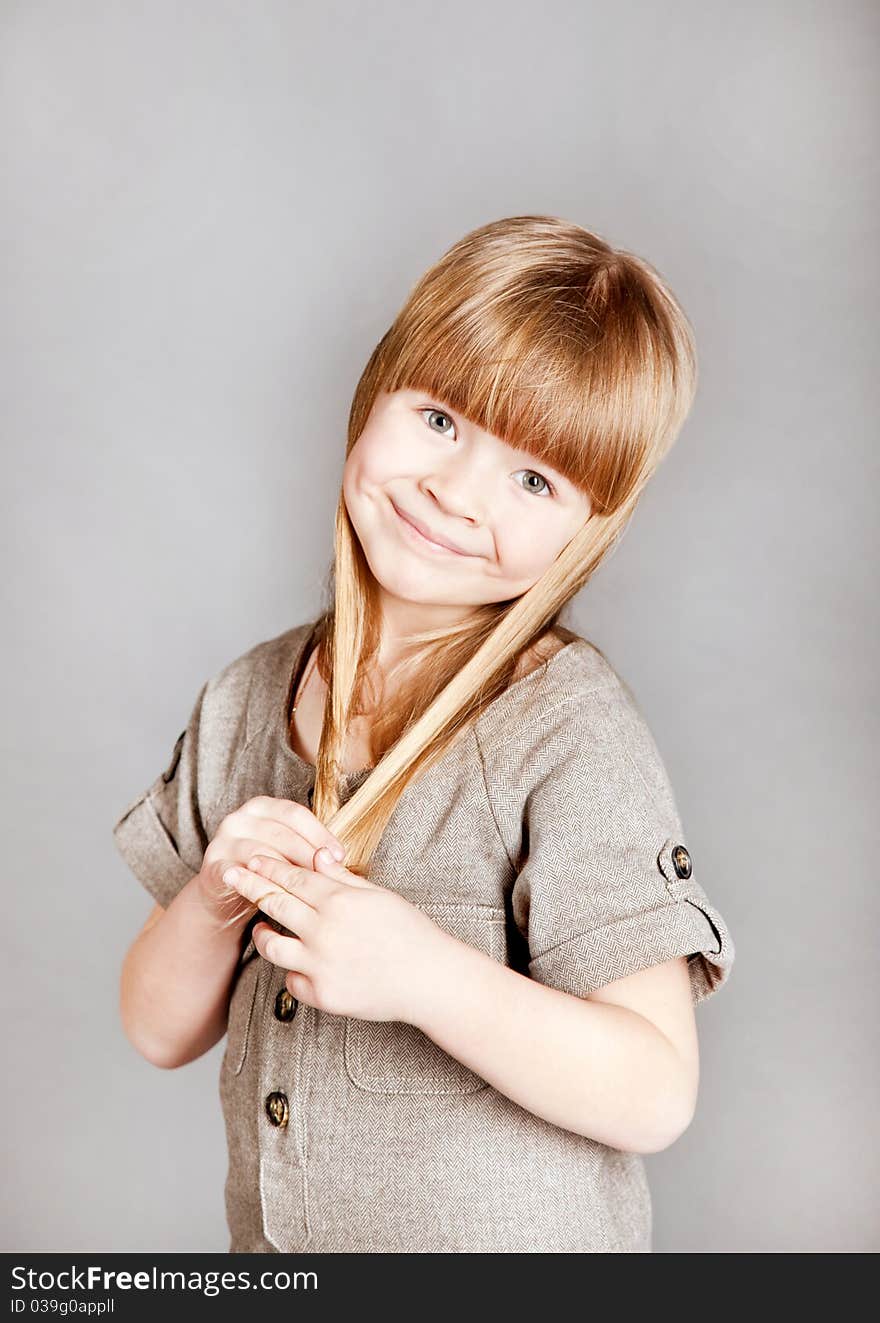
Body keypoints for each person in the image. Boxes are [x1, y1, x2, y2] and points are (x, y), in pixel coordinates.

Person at [114, 214, 735, 1254]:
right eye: (440, 420)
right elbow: (156, 1028)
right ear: (373, 396)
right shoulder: (249, 696)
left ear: (585, 530)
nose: (454, 492)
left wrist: (421, 975)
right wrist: (214, 895)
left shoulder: (564, 735)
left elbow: (654, 1089)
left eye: (533, 480)